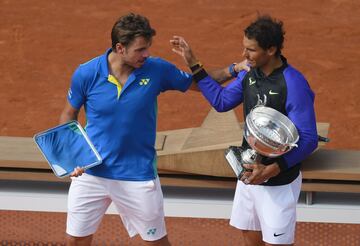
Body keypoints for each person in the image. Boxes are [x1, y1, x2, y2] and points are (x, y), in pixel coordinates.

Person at [59, 13, 236, 246]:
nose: (146, 54)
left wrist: (233, 70)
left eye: (147, 48)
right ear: (120, 48)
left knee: (156, 243)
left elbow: (201, 84)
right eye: (140, 50)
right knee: (75, 240)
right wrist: (73, 156)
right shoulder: (87, 73)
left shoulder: (157, 70)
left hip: (137, 175)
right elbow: (68, 115)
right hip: (92, 173)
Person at [171, 15, 318, 246]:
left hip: (278, 183)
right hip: (248, 172)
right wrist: (194, 63)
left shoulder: (293, 83)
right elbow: (221, 101)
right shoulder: (250, 73)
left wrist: (271, 170)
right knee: (248, 234)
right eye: (244, 48)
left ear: (271, 50)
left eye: (251, 50)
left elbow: (309, 139)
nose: (244, 55)